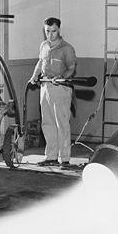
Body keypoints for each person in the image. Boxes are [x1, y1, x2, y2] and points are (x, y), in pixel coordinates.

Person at [29, 17, 77, 170]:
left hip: (60, 88)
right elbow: (40, 62)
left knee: (61, 123)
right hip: (45, 87)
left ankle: (65, 159)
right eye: (47, 31)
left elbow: (71, 68)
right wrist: (34, 76)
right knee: (47, 122)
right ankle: (51, 157)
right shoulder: (43, 46)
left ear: (59, 30)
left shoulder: (67, 48)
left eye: (53, 31)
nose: (50, 34)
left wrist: (62, 78)